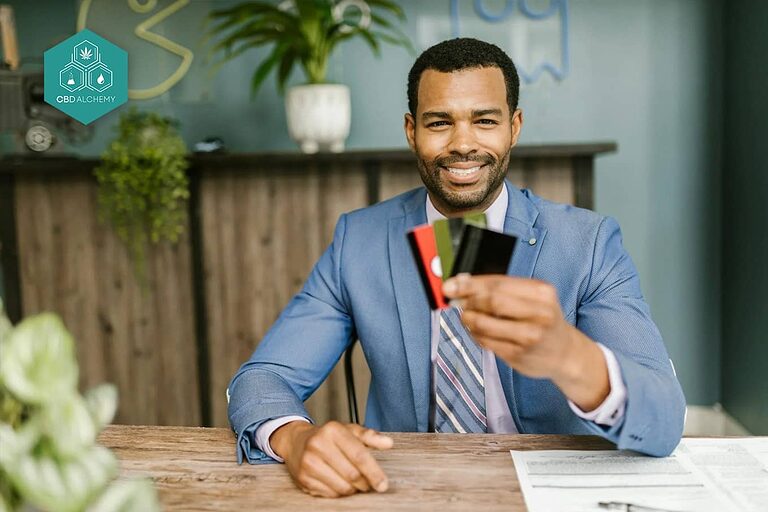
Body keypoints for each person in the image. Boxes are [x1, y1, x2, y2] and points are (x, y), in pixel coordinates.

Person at [227, 38, 686, 498]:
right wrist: (294, 437)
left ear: (514, 127)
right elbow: (263, 377)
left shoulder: (588, 244)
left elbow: (666, 418)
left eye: (485, 121)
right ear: (412, 131)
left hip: (549, 492)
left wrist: (570, 356)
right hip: (401, 489)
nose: (463, 143)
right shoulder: (359, 241)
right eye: (439, 123)